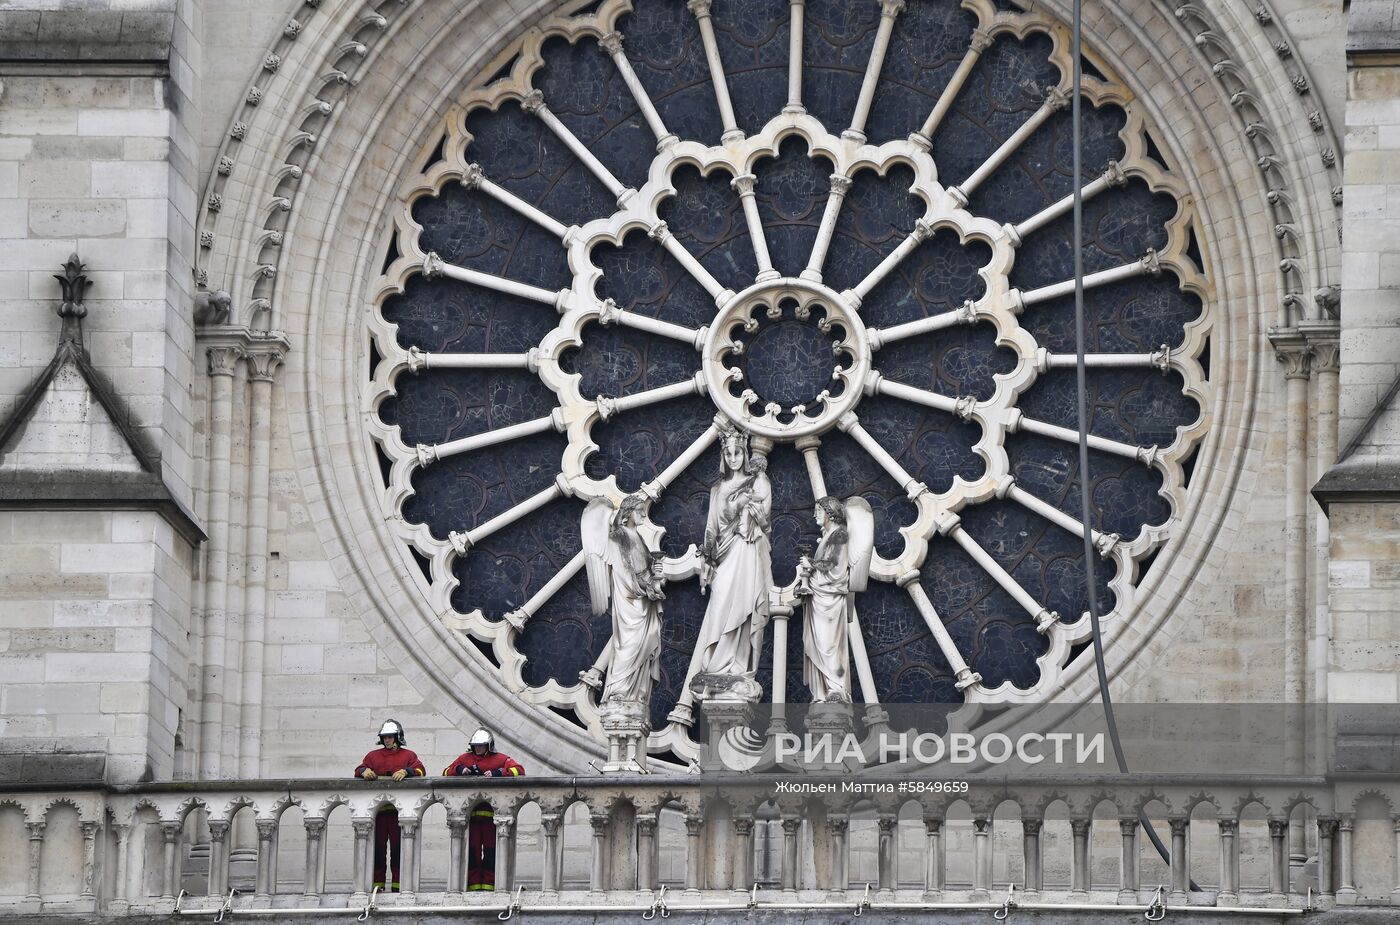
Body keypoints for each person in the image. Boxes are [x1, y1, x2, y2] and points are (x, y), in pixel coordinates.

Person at [442, 728, 525, 891]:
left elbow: (519, 770)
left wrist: (498, 772)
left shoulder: (500, 759)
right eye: (476, 746)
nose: (478, 748)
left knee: (490, 852)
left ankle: (488, 886)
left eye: (481, 745)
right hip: (471, 817)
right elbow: (445, 772)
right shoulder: (464, 759)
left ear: (489, 746)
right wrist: (459, 770)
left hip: (490, 816)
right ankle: (473, 887)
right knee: (472, 853)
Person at [354, 719, 426, 893]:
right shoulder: (373, 756)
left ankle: (398, 886)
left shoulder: (408, 755)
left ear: (397, 737)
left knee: (398, 851)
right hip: (378, 814)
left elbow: (421, 770)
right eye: (384, 737)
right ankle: (376, 887)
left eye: (390, 737)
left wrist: (406, 771)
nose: (387, 740)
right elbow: (358, 769)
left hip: (397, 815)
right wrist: (364, 771)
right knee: (378, 852)